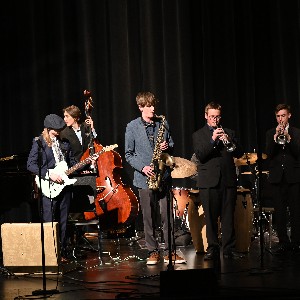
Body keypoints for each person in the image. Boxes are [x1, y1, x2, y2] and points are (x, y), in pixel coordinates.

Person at [125, 91, 186, 265]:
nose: (153, 108)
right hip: (145, 177)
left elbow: (171, 145)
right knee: (149, 217)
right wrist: (143, 168)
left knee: (167, 215)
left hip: (164, 176)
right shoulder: (132, 126)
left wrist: (168, 146)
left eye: (153, 105)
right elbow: (128, 154)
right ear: (140, 107)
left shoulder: (162, 123)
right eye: (149, 105)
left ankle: (170, 251)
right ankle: (153, 251)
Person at [192, 102, 244, 260]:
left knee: (228, 217)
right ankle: (213, 248)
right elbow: (200, 155)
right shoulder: (198, 134)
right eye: (212, 116)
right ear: (206, 116)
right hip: (209, 182)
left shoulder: (229, 132)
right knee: (211, 217)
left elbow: (239, 153)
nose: (215, 119)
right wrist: (213, 140)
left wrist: (229, 140)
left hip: (228, 181)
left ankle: (229, 249)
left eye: (218, 116)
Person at [27, 114, 81, 261]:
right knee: (49, 220)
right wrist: (48, 175)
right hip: (48, 185)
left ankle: (62, 252)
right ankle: (50, 254)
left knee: (63, 220)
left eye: (59, 130)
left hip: (64, 186)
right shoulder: (39, 143)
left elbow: (72, 164)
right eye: (55, 130)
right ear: (48, 128)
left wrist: (85, 164)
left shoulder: (65, 143)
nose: (57, 132)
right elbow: (30, 165)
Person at [265, 103, 300, 254]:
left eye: (283, 116)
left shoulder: (297, 132)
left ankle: (297, 243)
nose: (280, 119)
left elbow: (298, 154)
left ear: (289, 116)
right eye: (278, 116)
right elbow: (268, 155)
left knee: (296, 211)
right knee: (280, 212)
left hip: (293, 177)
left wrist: (289, 139)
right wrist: (274, 140)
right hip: (277, 178)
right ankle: (283, 242)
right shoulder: (270, 133)